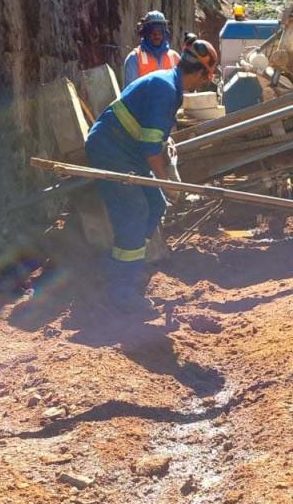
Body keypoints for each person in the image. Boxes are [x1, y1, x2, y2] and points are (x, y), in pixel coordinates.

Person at [86, 39, 220, 309]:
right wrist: (167, 182)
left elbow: (154, 137)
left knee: (155, 203)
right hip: (110, 149)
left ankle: (130, 266)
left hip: (127, 151)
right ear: (197, 73)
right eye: (204, 79)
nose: (201, 85)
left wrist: (164, 155)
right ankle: (121, 289)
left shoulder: (169, 85)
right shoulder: (165, 88)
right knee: (134, 209)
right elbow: (149, 146)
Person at [123, 10, 180, 86]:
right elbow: (130, 94)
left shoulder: (175, 57)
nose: (157, 36)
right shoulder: (134, 58)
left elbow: (184, 89)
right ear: (145, 33)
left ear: (165, 33)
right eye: (153, 32)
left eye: (160, 32)